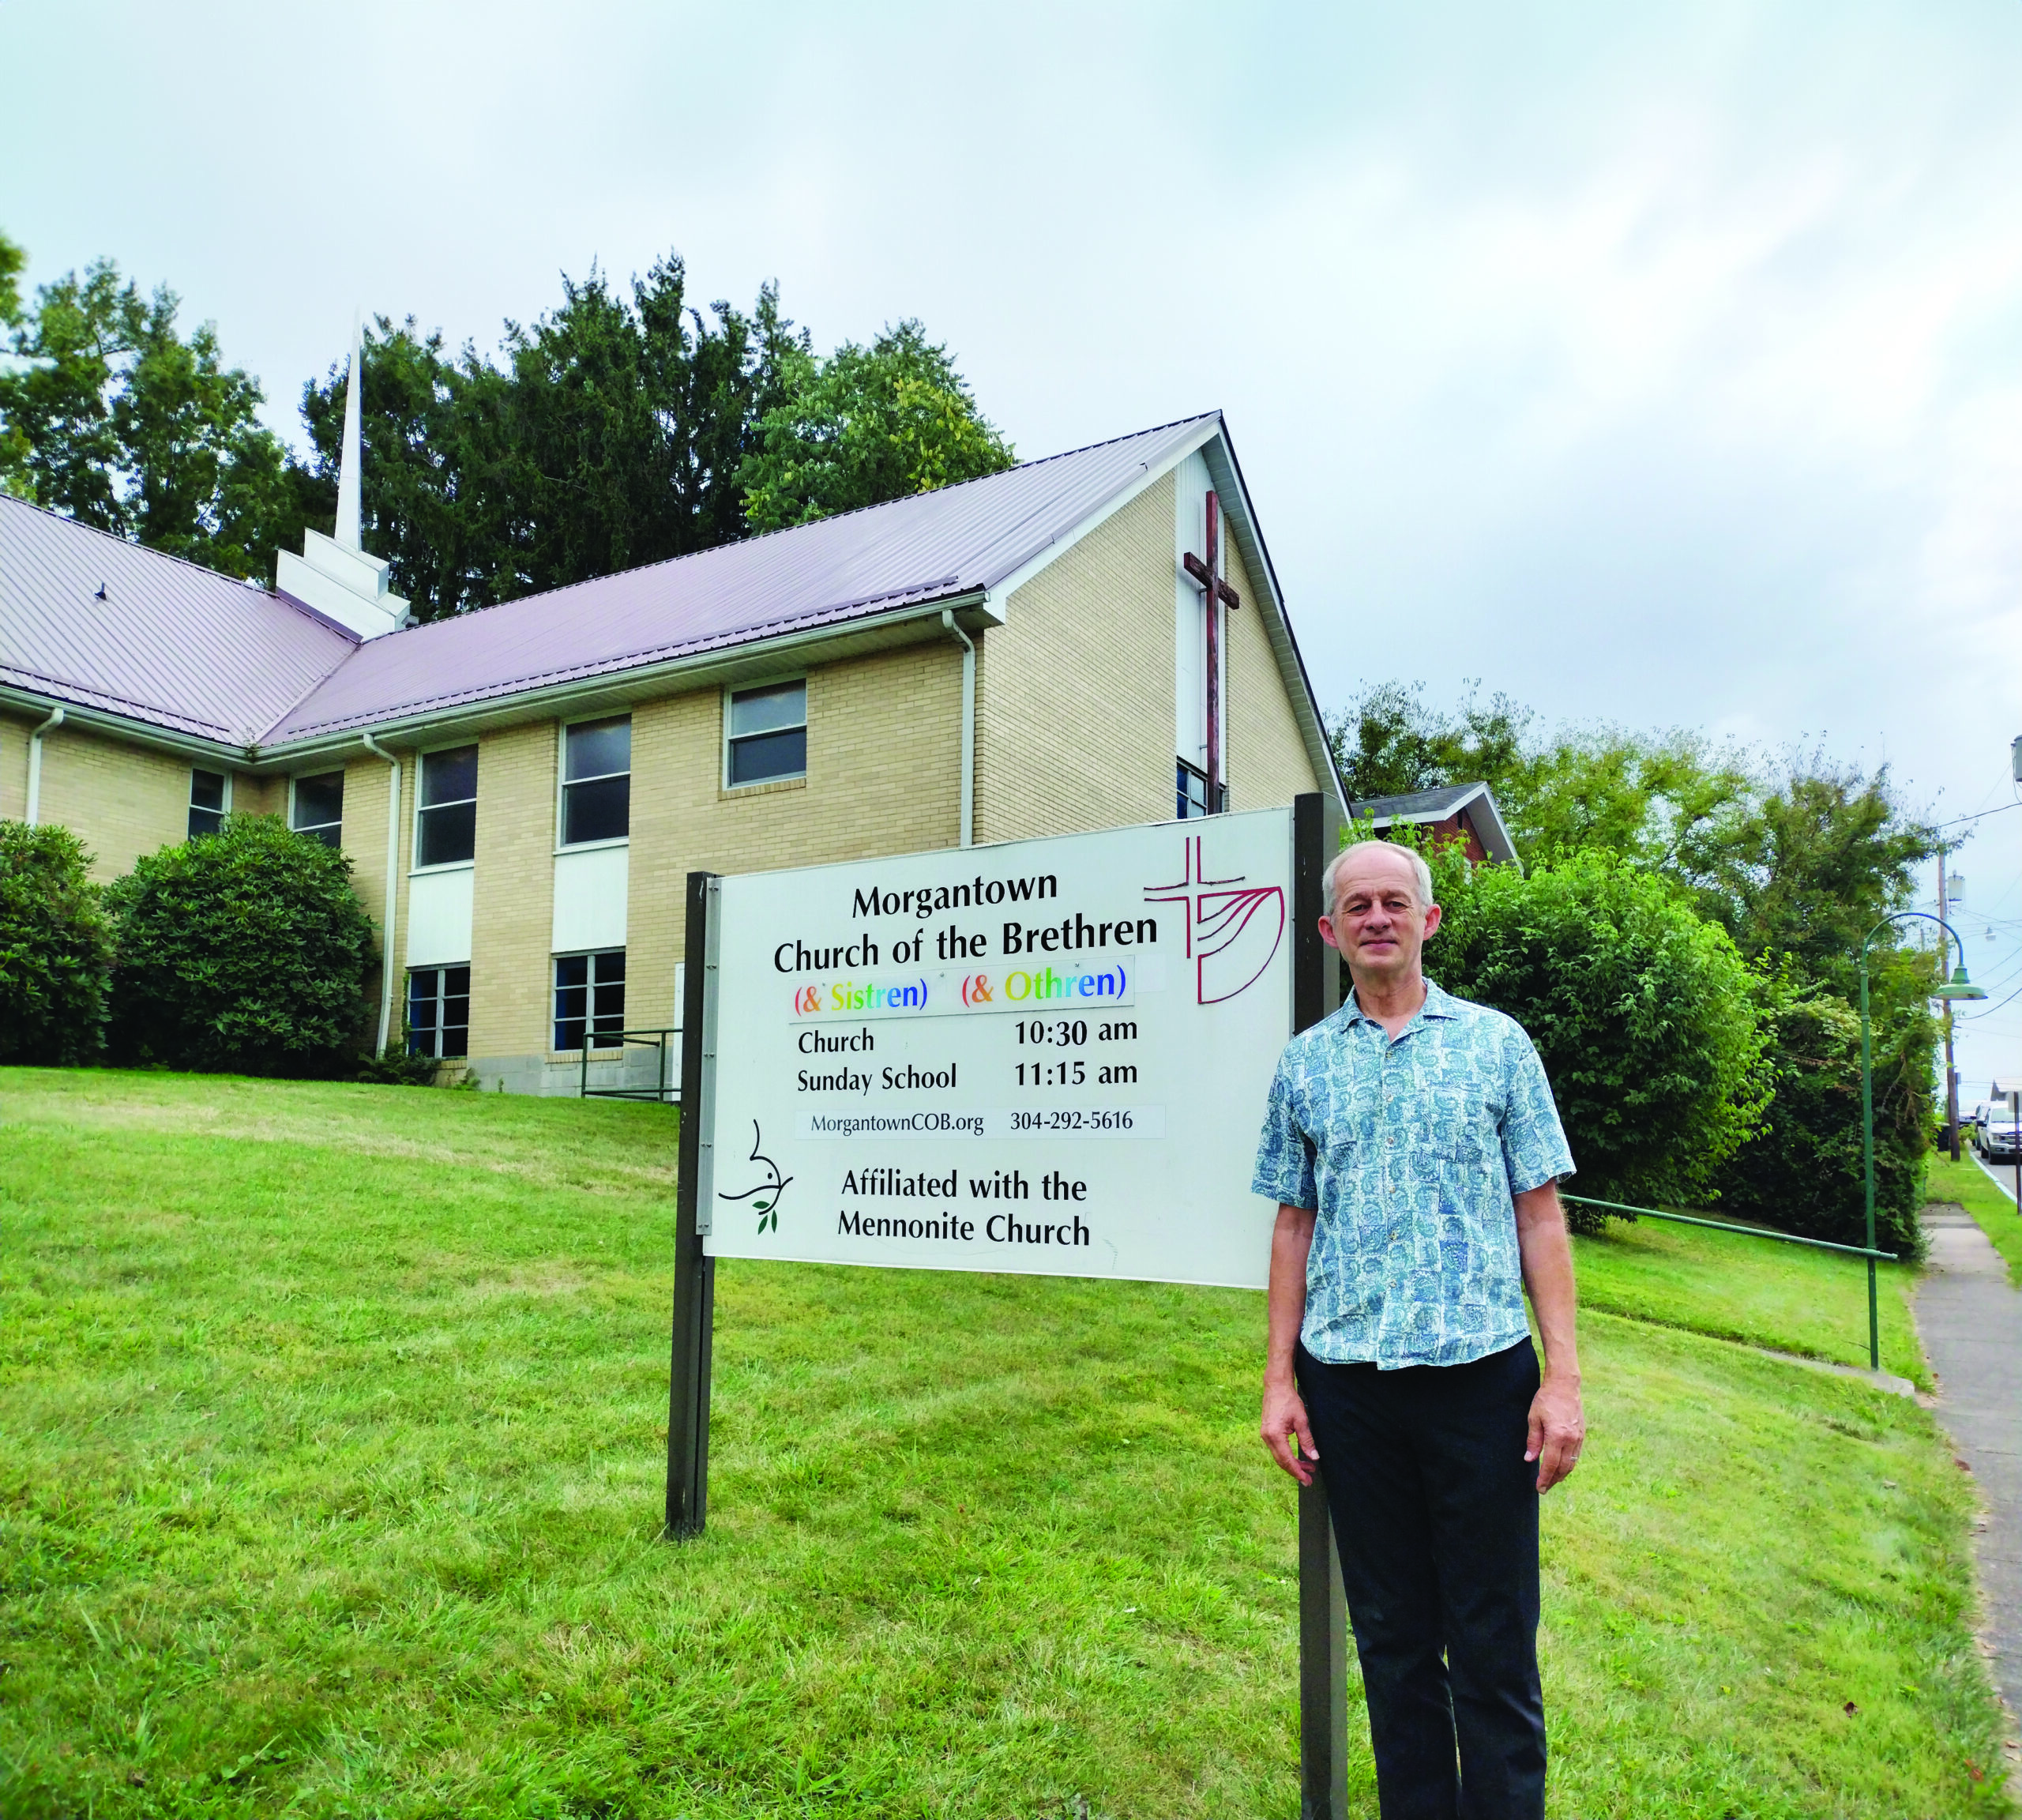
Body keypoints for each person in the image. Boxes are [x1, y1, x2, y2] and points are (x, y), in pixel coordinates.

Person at [1252, 837, 1584, 1819]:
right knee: (1392, 1645)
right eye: (1356, 906)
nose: (1377, 918)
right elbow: (1291, 1222)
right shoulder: (1305, 1066)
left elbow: (1539, 1214)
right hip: (1349, 1387)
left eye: (1395, 901)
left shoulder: (1496, 1044)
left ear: (1428, 920)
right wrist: (1279, 1379)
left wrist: (1560, 1379)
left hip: (1481, 1381)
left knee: (1491, 1644)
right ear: (1330, 931)